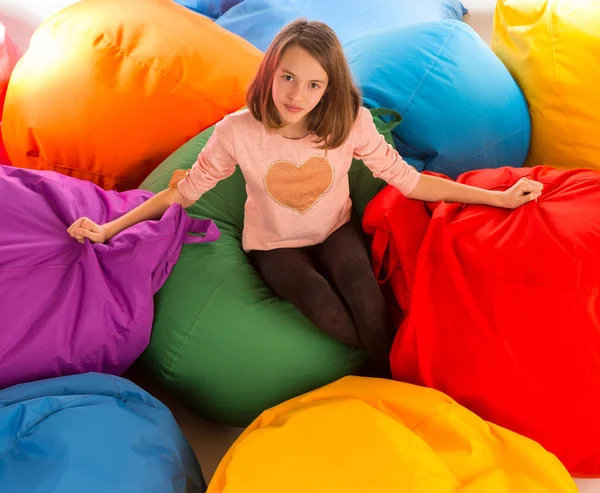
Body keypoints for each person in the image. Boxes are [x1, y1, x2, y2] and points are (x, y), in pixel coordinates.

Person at [68, 19, 543, 376]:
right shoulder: (237, 132)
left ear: (329, 88)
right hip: (274, 246)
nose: (297, 95)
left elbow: (410, 181)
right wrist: (110, 228)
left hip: (335, 229)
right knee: (322, 303)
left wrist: (498, 199)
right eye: (289, 78)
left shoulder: (349, 121)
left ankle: (401, 378)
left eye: (314, 84)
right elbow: (184, 190)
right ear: (271, 71)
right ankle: (380, 376)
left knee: (366, 293)